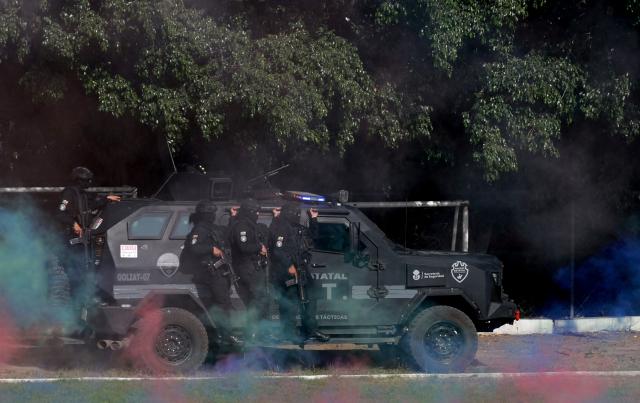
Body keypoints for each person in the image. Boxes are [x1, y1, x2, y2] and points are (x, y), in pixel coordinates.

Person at [56, 166, 120, 321]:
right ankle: (73, 316)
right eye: (86, 180)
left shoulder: (83, 195)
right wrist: (73, 224)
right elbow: (60, 213)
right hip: (71, 242)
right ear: (79, 180)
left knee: (84, 277)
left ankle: (82, 314)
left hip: (82, 244)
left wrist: (106, 199)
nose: (89, 183)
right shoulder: (69, 193)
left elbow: (92, 204)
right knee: (75, 278)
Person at [180, 200, 241, 346]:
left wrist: (233, 217)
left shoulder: (214, 228)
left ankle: (223, 334)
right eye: (211, 213)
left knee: (224, 303)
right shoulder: (199, 229)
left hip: (221, 273)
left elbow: (228, 233)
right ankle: (227, 335)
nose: (212, 216)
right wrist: (210, 249)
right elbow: (194, 248)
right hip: (210, 273)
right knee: (223, 304)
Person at [268, 202, 329, 344]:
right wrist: (289, 265)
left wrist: (314, 219)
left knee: (310, 299)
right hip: (287, 272)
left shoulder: (297, 228)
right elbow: (277, 250)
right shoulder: (280, 227)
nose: (296, 214)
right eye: (294, 212)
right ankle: (288, 333)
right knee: (289, 304)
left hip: (302, 270)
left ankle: (311, 330)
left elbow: (313, 237)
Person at [228, 198, 269, 337]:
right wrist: (259, 248)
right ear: (250, 211)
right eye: (256, 211)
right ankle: (252, 333)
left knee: (258, 299)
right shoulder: (243, 226)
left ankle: (258, 331)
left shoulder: (247, 225)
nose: (258, 214)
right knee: (256, 300)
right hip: (247, 268)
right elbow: (243, 247)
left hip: (252, 268)